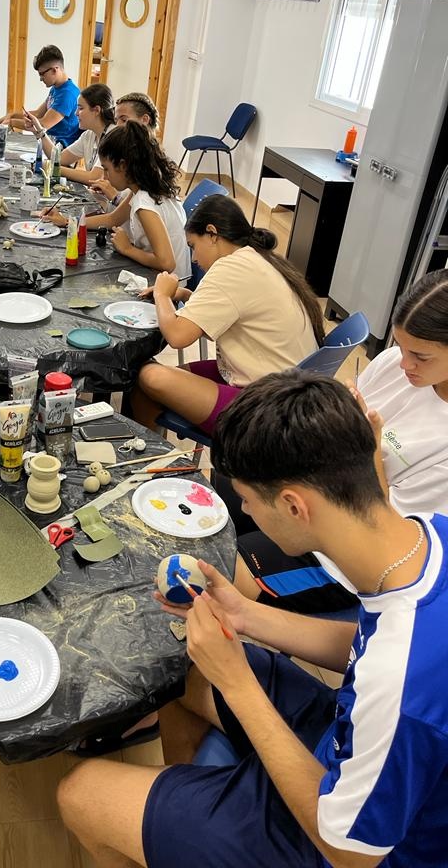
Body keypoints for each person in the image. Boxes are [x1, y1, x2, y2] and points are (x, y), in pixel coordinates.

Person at [59, 371, 448, 868]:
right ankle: (196, 819)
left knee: (81, 793)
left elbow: (350, 852)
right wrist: (245, 614)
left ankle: (204, 824)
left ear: (293, 505)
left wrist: (237, 683)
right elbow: (364, 645)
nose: (243, 508)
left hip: (360, 845)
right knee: (179, 669)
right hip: (352, 735)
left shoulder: (400, 682)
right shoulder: (429, 535)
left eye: (246, 498)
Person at [236, 268, 448, 614]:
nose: (405, 364)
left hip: (350, 552)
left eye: (421, 357)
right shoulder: (395, 364)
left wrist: (370, 446)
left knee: (232, 570)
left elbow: (390, 528)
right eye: (401, 347)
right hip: (315, 487)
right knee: (220, 496)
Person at [131, 194, 323, 433]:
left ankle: (147, 450)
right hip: (284, 384)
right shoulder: (256, 257)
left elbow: (177, 336)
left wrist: (162, 294)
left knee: (149, 377)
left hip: (272, 405)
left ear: (212, 233)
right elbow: (231, 310)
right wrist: (184, 295)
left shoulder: (229, 268)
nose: (194, 258)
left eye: (193, 246)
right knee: (144, 387)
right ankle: (147, 449)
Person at [44, 122, 191, 277]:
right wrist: (68, 222)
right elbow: (112, 219)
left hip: (169, 283)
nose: (104, 176)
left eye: (106, 169)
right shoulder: (145, 187)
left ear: (122, 166)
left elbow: (167, 263)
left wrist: (127, 249)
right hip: (164, 277)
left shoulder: (145, 203)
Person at [24, 83, 116, 185]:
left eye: (80, 108)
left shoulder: (113, 137)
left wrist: (52, 168)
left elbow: (94, 177)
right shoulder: (89, 135)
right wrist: (38, 131)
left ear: (97, 110)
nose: (76, 113)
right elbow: (59, 158)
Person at [0, 45, 80, 147]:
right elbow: (38, 113)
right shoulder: (56, 88)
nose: (41, 79)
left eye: (42, 74)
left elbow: (43, 125)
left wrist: (12, 122)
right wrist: (11, 115)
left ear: (54, 70)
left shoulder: (68, 94)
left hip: (61, 148)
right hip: (50, 142)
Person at [92, 92, 160, 205]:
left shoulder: (148, 164)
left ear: (145, 120)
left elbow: (137, 209)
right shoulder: (126, 150)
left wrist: (114, 196)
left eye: (123, 120)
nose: (118, 125)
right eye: (116, 120)